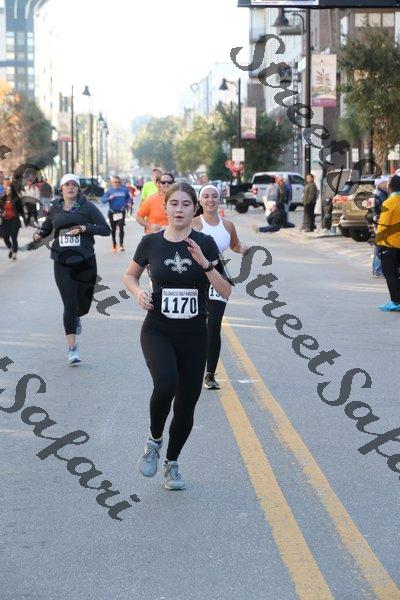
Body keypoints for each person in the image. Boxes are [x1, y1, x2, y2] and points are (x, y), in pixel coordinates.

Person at [124, 182, 231, 490]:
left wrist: (206, 265)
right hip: (158, 329)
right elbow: (130, 275)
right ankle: (154, 440)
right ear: (165, 207)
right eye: (174, 204)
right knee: (166, 382)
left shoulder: (205, 243)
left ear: (194, 208)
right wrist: (138, 293)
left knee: (186, 404)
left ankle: (172, 463)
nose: (180, 210)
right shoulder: (151, 243)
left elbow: (225, 290)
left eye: (186, 204)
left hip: (194, 334)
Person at [33, 173, 111, 364]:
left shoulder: (87, 207)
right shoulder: (55, 208)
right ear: (61, 189)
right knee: (69, 303)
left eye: (73, 185)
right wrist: (39, 234)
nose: (70, 187)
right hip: (61, 262)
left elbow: (105, 229)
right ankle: (72, 349)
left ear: (78, 188)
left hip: (85, 261)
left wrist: (85, 228)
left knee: (82, 306)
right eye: (66, 185)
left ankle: (77, 317)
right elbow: (47, 228)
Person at [192, 184, 247, 390]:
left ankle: (209, 374)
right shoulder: (193, 223)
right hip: (195, 277)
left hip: (218, 276)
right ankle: (191, 367)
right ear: (200, 200)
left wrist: (243, 248)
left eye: (214, 196)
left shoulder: (228, 225)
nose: (210, 200)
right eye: (206, 196)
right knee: (195, 324)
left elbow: (234, 245)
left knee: (213, 325)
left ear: (219, 199)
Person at [375, 174, 400, 311]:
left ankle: (395, 301)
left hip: (389, 244)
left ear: (390, 187)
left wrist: (378, 243)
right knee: (397, 273)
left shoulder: (389, 203)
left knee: (389, 273)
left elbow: (383, 226)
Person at [101, 175, 131, 252]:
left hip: (121, 212)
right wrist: (109, 198)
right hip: (112, 212)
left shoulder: (124, 190)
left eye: (119, 182)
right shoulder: (109, 191)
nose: (117, 184)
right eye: (115, 182)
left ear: (121, 183)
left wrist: (127, 203)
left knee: (121, 228)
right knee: (113, 229)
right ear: (112, 183)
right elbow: (103, 200)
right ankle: (114, 244)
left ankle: (121, 245)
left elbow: (128, 198)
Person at [0, 178, 25, 260]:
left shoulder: (16, 198)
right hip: (5, 221)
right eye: (4, 186)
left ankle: (14, 254)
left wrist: (25, 220)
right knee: (5, 238)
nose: (6, 187)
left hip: (14, 220)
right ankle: (10, 247)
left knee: (14, 237)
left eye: (7, 186)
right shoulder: (2, 198)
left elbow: (21, 210)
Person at [372, 176, 389, 278]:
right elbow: (379, 211)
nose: (387, 184)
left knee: (379, 246)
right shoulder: (379, 194)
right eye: (385, 182)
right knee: (379, 247)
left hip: (378, 222)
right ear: (380, 183)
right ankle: (377, 270)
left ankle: (376, 269)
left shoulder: (380, 193)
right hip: (379, 223)